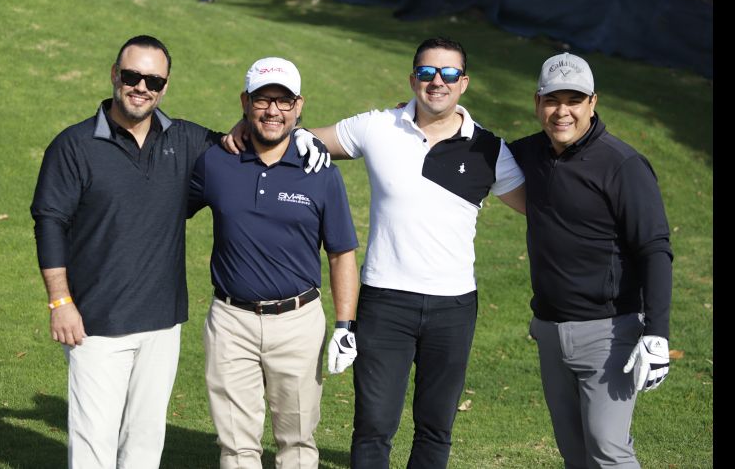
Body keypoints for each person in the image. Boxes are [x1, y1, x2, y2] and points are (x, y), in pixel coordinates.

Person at [224, 37, 526, 469]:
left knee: (436, 428)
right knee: (372, 427)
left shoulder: (488, 150)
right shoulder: (379, 127)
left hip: (454, 306)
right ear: (412, 79)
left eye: (448, 74)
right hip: (386, 303)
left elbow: (543, 209)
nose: (436, 82)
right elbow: (297, 137)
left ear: (464, 83)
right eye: (426, 73)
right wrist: (243, 126)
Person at [30, 35, 225, 468]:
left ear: (165, 86)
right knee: (93, 442)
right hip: (96, 325)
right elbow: (50, 224)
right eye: (133, 76)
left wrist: (309, 141)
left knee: (145, 441)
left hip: (162, 323)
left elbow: (249, 142)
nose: (142, 87)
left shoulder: (188, 141)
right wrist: (60, 302)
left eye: (153, 80)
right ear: (115, 75)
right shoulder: (74, 145)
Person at [189, 57, 360, 469]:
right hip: (231, 322)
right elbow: (164, 210)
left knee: (298, 444)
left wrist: (344, 325)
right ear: (246, 102)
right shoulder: (216, 161)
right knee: (236, 446)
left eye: (283, 102)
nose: (273, 111)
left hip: (298, 323)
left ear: (298, 106)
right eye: (263, 100)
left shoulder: (319, 170)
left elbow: (341, 253)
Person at [507, 52, 672, 468]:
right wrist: (418, 119)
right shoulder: (528, 154)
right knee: (574, 452)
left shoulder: (623, 165)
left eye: (573, 100)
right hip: (548, 330)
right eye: (552, 100)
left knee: (608, 448)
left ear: (592, 103)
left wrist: (658, 333)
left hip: (609, 333)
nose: (562, 111)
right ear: (537, 102)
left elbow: (654, 248)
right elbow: (472, 152)